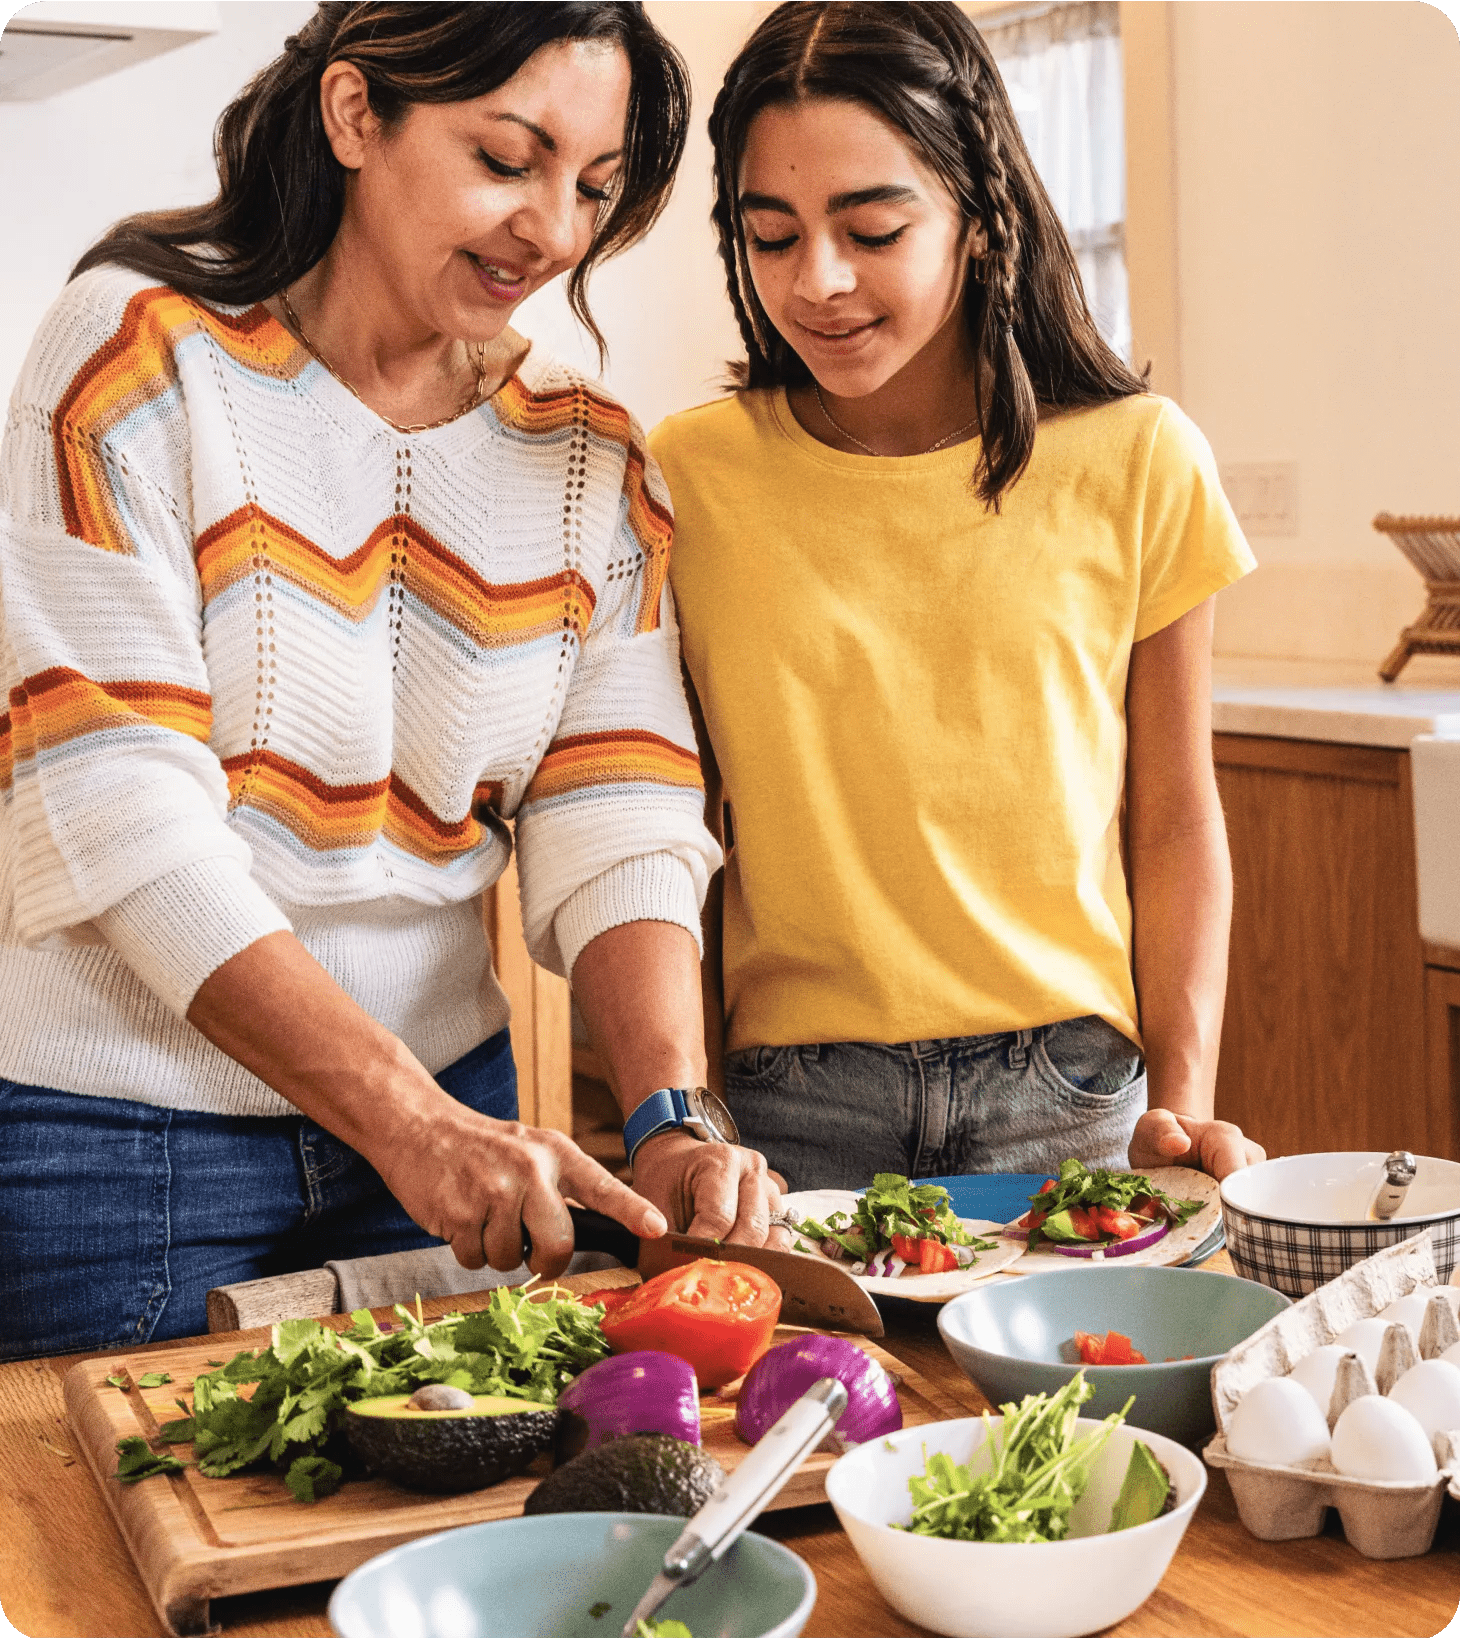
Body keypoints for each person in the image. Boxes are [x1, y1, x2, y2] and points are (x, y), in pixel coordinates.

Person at [0, 0, 782, 1361]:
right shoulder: (136, 360)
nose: (550, 228)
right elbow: (122, 817)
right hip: (119, 1156)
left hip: (453, 1136)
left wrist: (670, 1116)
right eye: (507, 157)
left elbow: (622, 823)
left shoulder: (590, 456)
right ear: (357, 115)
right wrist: (413, 1124)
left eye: (592, 187)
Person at [649, 0, 1266, 1193]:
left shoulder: (1137, 456)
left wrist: (1181, 1106)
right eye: (768, 237)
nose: (815, 282)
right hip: (789, 1104)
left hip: (1071, 1099)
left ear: (979, 219)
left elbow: (1175, 816)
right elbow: (677, 829)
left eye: (872, 228)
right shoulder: (690, 476)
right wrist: (686, 1109)